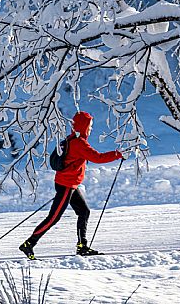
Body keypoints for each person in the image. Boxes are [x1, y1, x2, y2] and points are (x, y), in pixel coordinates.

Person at [19, 111, 123, 259]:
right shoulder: (79, 143)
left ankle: (82, 246)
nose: (91, 129)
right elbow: (97, 158)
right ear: (83, 126)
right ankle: (28, 244)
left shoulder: (71, 139)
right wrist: (117, 154)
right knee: (53, 217)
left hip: (69, 185)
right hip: (66, 185)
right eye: (90, 126)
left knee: (84, 212)